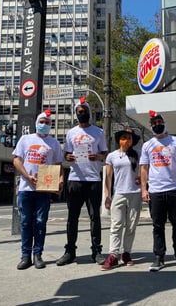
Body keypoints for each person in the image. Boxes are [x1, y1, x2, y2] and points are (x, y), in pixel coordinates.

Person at [56, 97, 108, 266]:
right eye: (79, 112)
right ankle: (70, 251)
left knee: (95, 217)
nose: (82, 113)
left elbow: (105, 154)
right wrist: (68, 156)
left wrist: (97, 156)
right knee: (72, 217)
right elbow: (66, 155)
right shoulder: (71, 133)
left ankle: (97, 251)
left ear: (89, 112)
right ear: (76, 114)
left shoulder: (98, 132)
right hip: (75, 179)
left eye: (84, 111)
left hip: (93, 179)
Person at [13, 109, 64, 270]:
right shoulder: (25, 139)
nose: (44, 125)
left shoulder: (54, 143)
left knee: (40, 222)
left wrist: (60, 180)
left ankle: (38, 254)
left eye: (47, 123)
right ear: (36, 123)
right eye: (41, 122)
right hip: (26, 189)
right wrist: (27, 177)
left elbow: (58, 165)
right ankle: (25, 256)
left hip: (44, 189)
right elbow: (16, 161)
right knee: (26, 222)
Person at [140, 110, 176, 272]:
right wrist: (144, 190)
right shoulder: (147, 145)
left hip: (175, 189)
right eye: (154, 123)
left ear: (164, 123)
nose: (157, 125)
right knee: (157, 225)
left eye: (159, 122)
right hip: (156, 191)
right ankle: (159, 257)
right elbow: (144, 168)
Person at [101, 128, 142, 270]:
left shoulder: (138, 154)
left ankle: (126, 253)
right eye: (124, 137)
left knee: (131, 226)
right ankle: (113, 255)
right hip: (119, 193)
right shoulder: (111, 156)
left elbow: (143, 172)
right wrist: (107, 196)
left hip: (135, 193)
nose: (126, 140)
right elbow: (108, 177)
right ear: (119, 140)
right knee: (116, 225)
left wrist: (142, 183)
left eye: (129, 138)